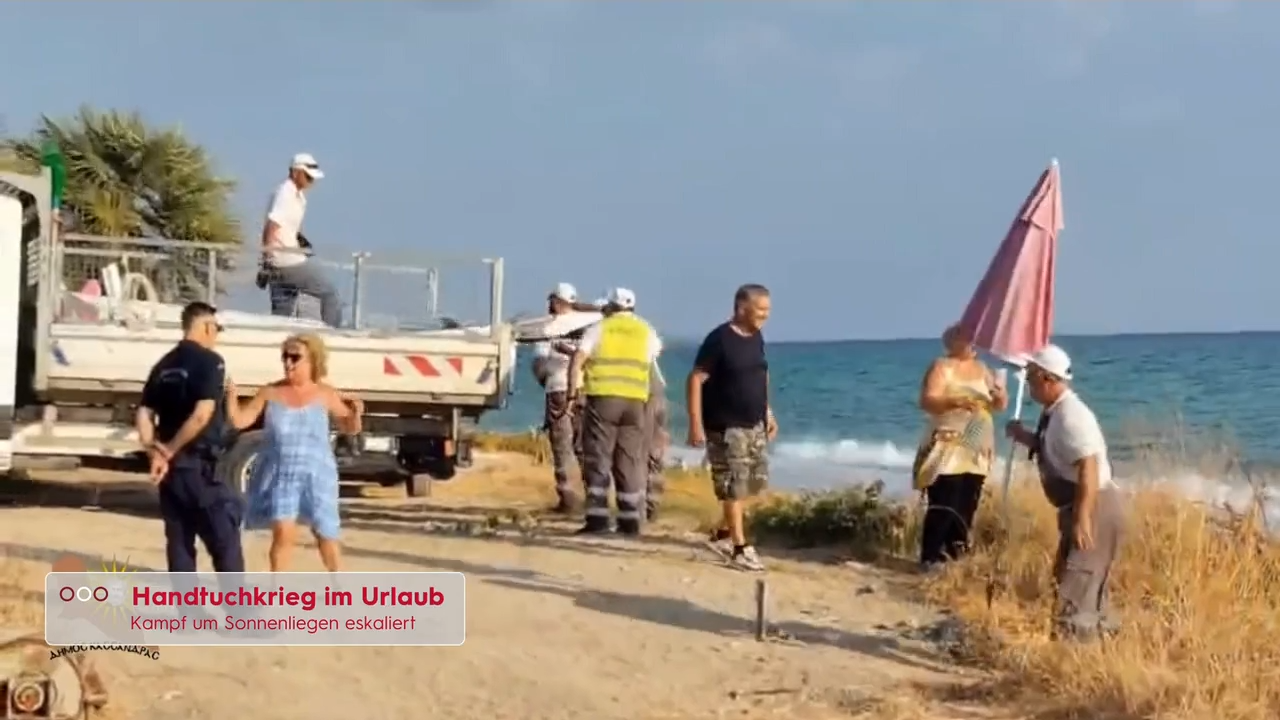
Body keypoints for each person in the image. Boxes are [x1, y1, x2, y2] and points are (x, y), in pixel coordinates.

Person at [1006, 344, 1124, 641]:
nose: (1029, 384)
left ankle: (1075, 662)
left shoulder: (1071, 416)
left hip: (1094, 506)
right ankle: (1087, 655)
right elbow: (1058, 451)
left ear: (1048, 378)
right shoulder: (1055, 413)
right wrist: (1024, 438)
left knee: (1078, 588)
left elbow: (1089, 465)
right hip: (1080, 505)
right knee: (1071, 582)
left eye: (1032, 377)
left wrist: (1083, 518)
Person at [225, 333, 363, 571]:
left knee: (325, 533)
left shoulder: (325, 393)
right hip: (282, 474)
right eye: (285, 357)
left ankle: (339, 585)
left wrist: (357, 413)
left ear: (312, 361)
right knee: (283, 534)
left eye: (295, 357)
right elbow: (240, 420)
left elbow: (349, 428)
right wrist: (231, 398)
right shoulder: (270, 392)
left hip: (317, 476)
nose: (288, 362)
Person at [135, 302, 245, 573]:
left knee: (180, 541)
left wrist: (154, 451)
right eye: (216, 329)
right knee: (224, 541)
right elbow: (201, 414)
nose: (216, 335)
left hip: (171, 471)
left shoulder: (164, 364)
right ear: (206, 327)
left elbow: (144, 413)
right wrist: (169, 450)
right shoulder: (211, 361)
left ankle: (190, 613)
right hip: (200, 465)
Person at [687, 284, 777, 572]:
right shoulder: (719, 339)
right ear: (741, 308)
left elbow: (761, 375)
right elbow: (695, 379)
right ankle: (740, 547)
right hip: (725, 426)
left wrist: (768, 411)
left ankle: (724, 532)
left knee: (753, 484)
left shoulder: (756, 337)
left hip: (754, 424)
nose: (766, 315)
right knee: (733, 488)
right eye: (760, 310)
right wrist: (695, 424)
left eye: (768, 310)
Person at [567, 287, 662, 536]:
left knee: (599, 457)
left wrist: (572, 393)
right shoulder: (646, 330)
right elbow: (653, 357)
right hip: (635, 403)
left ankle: (598, 520)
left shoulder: (600, 328)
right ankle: (630, 520)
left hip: (603, 399)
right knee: (628, 459)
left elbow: (578, 359)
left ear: (610, 307)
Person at [913, 323, 1007, 570]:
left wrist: (999, 397)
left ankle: (957, 558)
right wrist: (953, 400)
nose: (974, 343)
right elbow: (927, 400)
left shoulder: (983, 369)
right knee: (945, 500)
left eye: (976, 338)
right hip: (948, 444)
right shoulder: (941, 366)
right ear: (953, 341)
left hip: (977, 446)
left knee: (968, 502)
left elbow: (999, 405)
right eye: (968, 338)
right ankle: (931, 558)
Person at [261, 153, 343, 327]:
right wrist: (267, 260)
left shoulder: (296, 196)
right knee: (329, 294)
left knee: (282, 310)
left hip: (282, 261)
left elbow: (289, 227)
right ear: (295, 172)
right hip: (286, 261)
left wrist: (302, 242)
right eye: (308, 176)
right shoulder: (286, 193)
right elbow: (272, 226)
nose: (311, 181)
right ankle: (333, 335)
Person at [532, 282, 586, 512]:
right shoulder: (588, 323)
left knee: (562, 445)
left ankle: (569, 500)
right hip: (585, 389)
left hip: (558, 389)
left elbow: (540, 364)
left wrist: (543, 380)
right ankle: (594, 496)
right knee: (585, 445)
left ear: (555, 301)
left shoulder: (548, 328)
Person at [643, 362, 669, 521]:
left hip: (642, 393)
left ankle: (646, 506)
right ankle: (651, 505)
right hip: (655, 392)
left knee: (638, 454)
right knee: (655, 453)